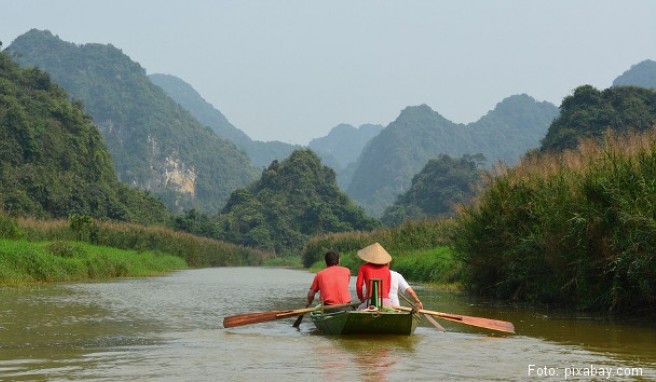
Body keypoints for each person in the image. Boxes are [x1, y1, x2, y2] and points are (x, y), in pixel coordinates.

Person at [355, 242, 393, 307]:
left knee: (358, 310)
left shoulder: (363, 267)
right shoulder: (387, 269)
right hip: (386, 302)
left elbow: (359, 285)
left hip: (369, 301)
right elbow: (388, 288)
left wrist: (361, 298)